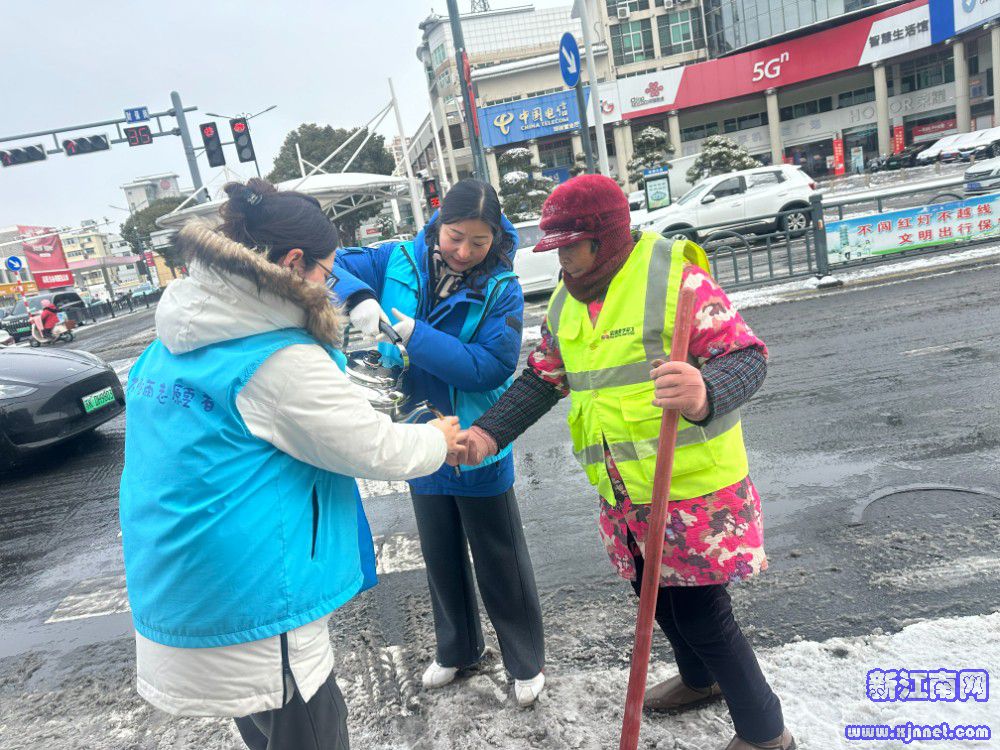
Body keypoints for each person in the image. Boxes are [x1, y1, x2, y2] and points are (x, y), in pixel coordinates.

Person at [452, 175, 795, 750]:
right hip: (623, 491)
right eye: (555, 247)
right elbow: (543, 378)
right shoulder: (565, 302)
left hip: (690, 487)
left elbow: (746, 356)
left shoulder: (675, 278)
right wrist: (488, 434)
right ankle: (700, 679)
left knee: (702, 612)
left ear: (607, 238)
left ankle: (767, 734)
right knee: (656, 599)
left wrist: (705, 390)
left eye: (572, 246)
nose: (562, 259)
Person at [119, 178, 462, 750]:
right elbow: (371, 446)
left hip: (184, 578)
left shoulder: (177, 336)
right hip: (255, 594)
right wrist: (434, 439)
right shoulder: (274, 356)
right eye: (328, 271)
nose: (330, 285)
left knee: (262, 724)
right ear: (294, 262)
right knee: (308, 728)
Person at [331, 179, 546, 706]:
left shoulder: (502, 288)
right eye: (455, 237)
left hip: (475, 439)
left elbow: (489, 367)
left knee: (499, 558)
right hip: (418, 436)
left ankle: (525, 660)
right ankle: (458, 648)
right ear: (437, 223)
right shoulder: (395, 260)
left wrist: (414, 336)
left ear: (495, 238)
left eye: (479, 241)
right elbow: (324, 264)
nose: (465, 251)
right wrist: (357, 296)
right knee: (440, 554)